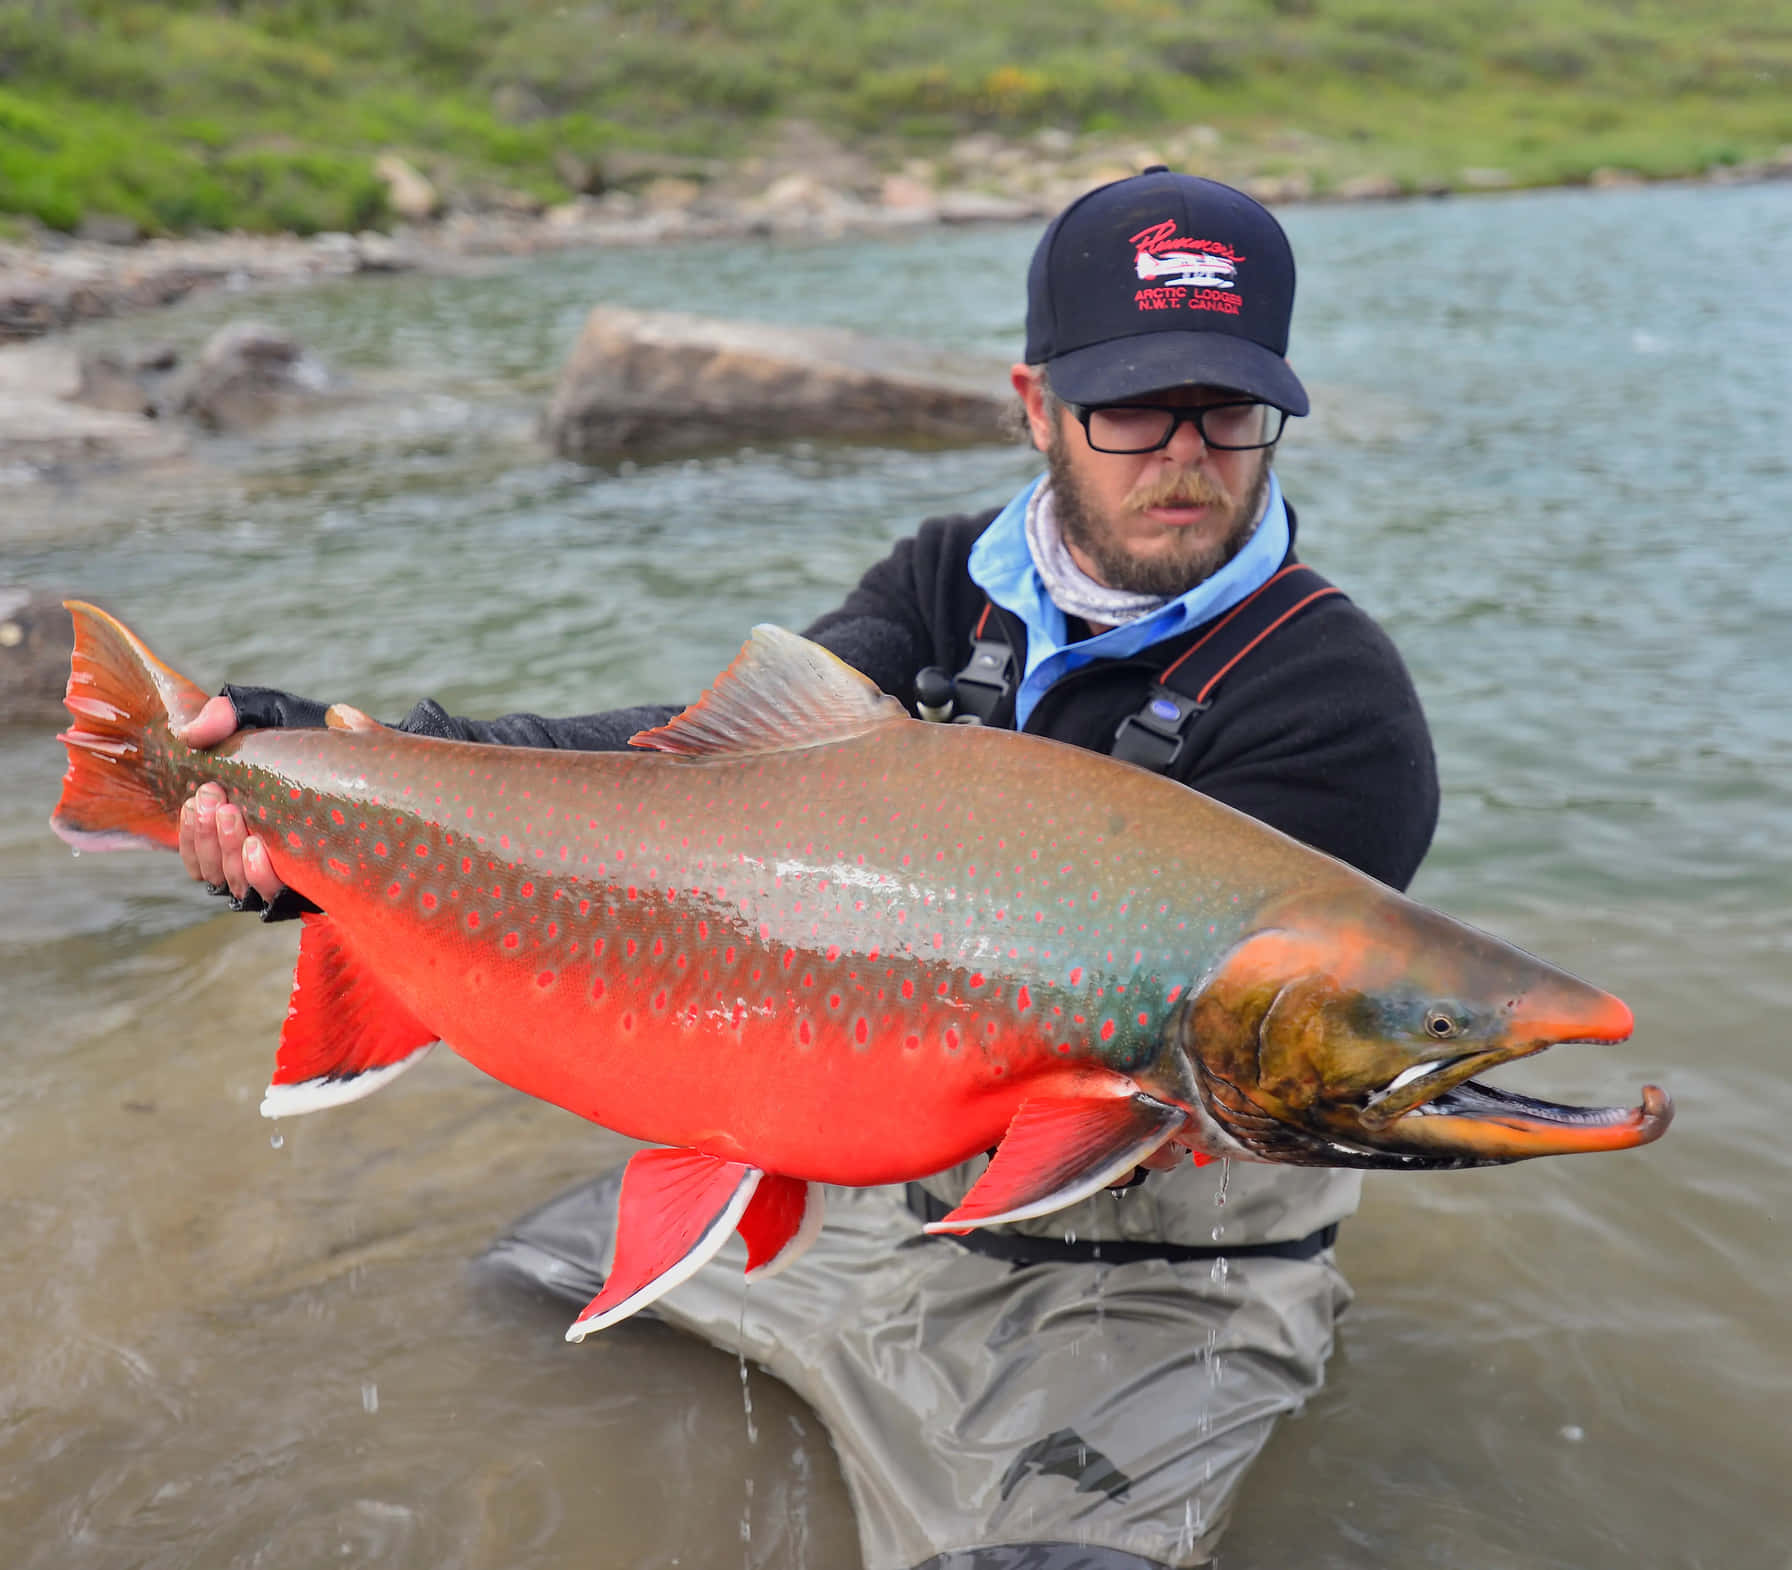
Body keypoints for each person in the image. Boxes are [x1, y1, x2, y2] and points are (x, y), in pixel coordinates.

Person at [177, 167, 1438, 1570]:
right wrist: (356, 772)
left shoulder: (1340, 704)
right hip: (888, 1186)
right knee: (522, 1293)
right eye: (1133, 407)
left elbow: (1236, 1079)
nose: (1185, 455)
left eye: (1230, 411)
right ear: (1036, 406)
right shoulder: (944, 575)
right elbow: (691, 780)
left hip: (1149, 1270)